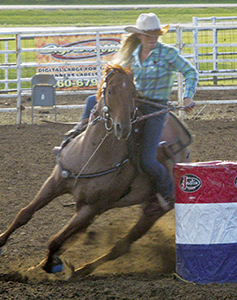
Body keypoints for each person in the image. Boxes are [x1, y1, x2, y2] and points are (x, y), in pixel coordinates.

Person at [64, 13, 199, 201]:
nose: (153, 38)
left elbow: (190, 72)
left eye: (156, 34)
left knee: (147, 160)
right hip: (133, 103)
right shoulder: (133, 55)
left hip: (154, 109)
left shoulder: (168, 53)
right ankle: (78, 133)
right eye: (148, 34)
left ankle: (168, 194)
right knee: (91, 101)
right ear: (139, 35)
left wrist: (187, 96)